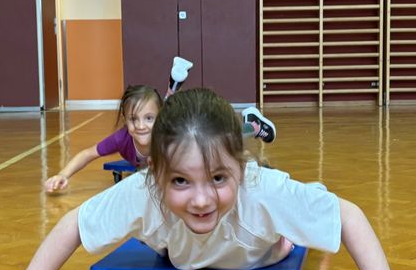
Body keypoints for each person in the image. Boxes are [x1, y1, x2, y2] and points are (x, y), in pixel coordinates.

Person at [0, 87, 416, 270]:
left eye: (218, 180)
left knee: (298, 213)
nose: (202, 199)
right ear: (156, 173)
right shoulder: (143, 192)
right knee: (170, 230)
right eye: (181, 181)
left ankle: (300, 201)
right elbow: (73, 224)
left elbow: (348, 216)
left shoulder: (261, 192)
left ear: (240, 171)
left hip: (262, 252)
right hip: (183, 255)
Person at [44, 58, 276, 192]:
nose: (140, 126)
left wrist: (250, 165)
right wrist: (63, 174)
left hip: (179, 132)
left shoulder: (167, 130)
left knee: (219, 139)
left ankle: (252, 126)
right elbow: (88, 153)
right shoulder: (122, 138)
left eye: (148, 119)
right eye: (133, 119)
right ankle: (174, 84)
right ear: (125, 120)